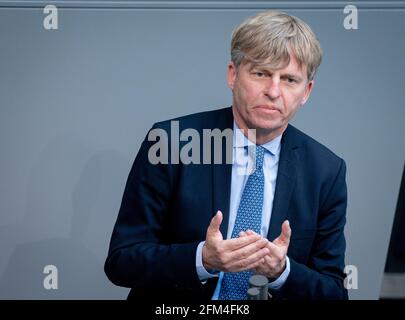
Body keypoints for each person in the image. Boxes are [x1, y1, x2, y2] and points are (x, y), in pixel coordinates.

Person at [104, 10, 348, 300]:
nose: (273, 91)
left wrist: (281, 272)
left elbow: (334, 293)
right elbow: (121, 261)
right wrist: (202, 259)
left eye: (289, 80)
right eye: (261, 73)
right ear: (233, 74)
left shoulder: (326, 171)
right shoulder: (172, 143)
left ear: (306, 91)